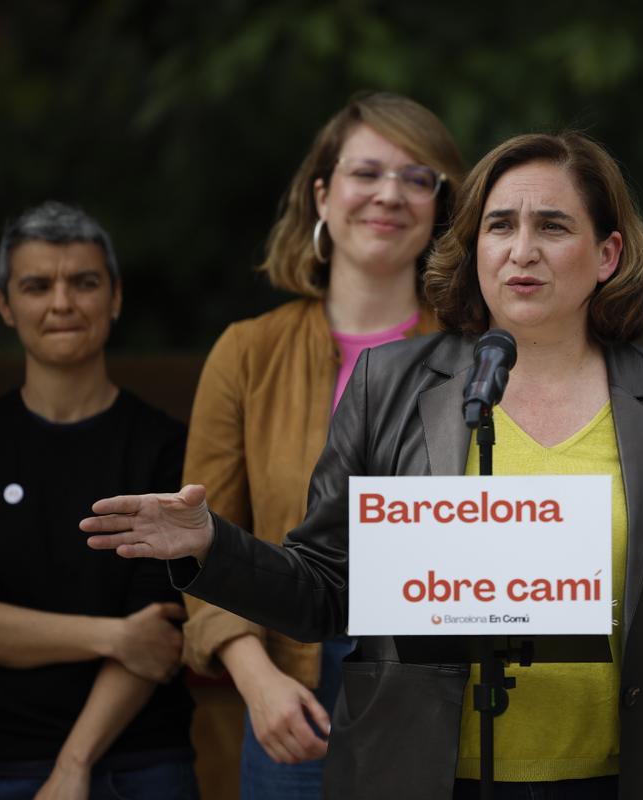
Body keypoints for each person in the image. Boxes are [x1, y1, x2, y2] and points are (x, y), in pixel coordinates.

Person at [82, 132, 643, 800]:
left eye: (553, 226)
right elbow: (323, 591)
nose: (522, 250)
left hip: (620, 776)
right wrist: (212, 547)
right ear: (474, 246)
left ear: (607, 253)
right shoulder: (389, 386)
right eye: (499, 226)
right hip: (419, 771)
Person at [178, 91, 463, 798]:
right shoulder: (249, 352)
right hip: (293, 691)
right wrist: (258, 680)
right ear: (323, 195)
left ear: (440, 207)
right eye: (366, 173)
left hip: (442, 689)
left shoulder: (482, 356)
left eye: (417, 177)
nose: (389, 195)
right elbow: (201, 537)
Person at [0, 201, 196, 800]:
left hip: (139, 766)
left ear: (115, 297)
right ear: (4, 304)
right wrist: (112, 636)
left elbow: (160, 630)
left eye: (84, 282)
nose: (62, 303)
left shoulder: (164, 446)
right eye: (37, 285)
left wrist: (73, 765)